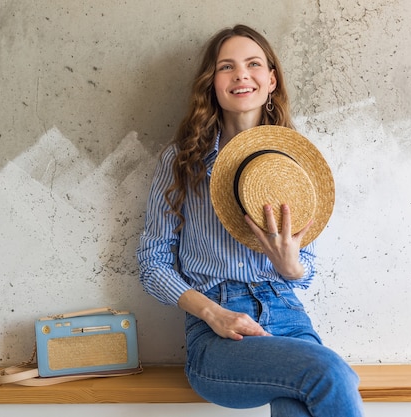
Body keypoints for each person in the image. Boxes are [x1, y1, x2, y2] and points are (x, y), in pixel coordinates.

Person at [136, 24, 364, 417]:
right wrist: (213, 313)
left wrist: (289, 265)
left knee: (301, 401)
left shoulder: (295, 165)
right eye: (227, 67)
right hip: (216, 331)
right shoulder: (181, 161)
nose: (241, 74)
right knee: (330, 372)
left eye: (253, 64)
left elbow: (305, 270)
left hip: (288, 316)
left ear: (271, 79)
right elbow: (152, 262)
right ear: (212, 83)